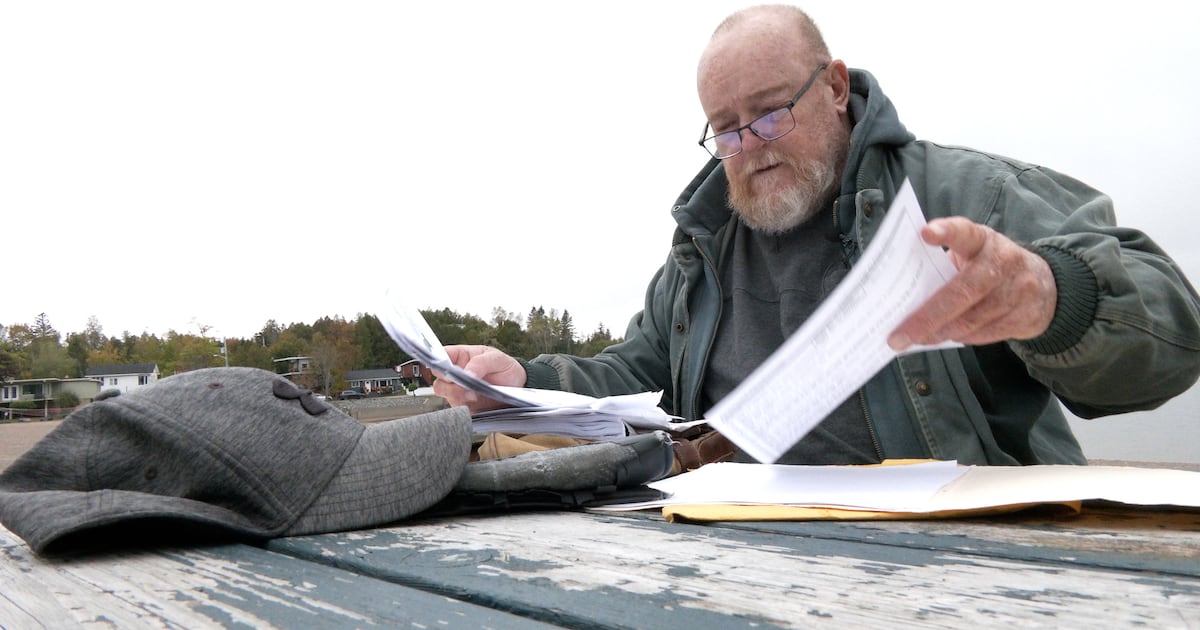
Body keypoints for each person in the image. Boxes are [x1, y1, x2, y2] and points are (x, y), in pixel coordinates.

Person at [434, 4, 1200, 466]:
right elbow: (638, 375)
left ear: (835, 86)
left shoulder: (968, 196)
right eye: (726, 128)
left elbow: (1173, 332)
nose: (750, 144)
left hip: (964, 557)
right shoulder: (702, 247)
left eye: (771, 112)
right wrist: (524, 380)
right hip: (738, 550)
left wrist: (1053, 300)